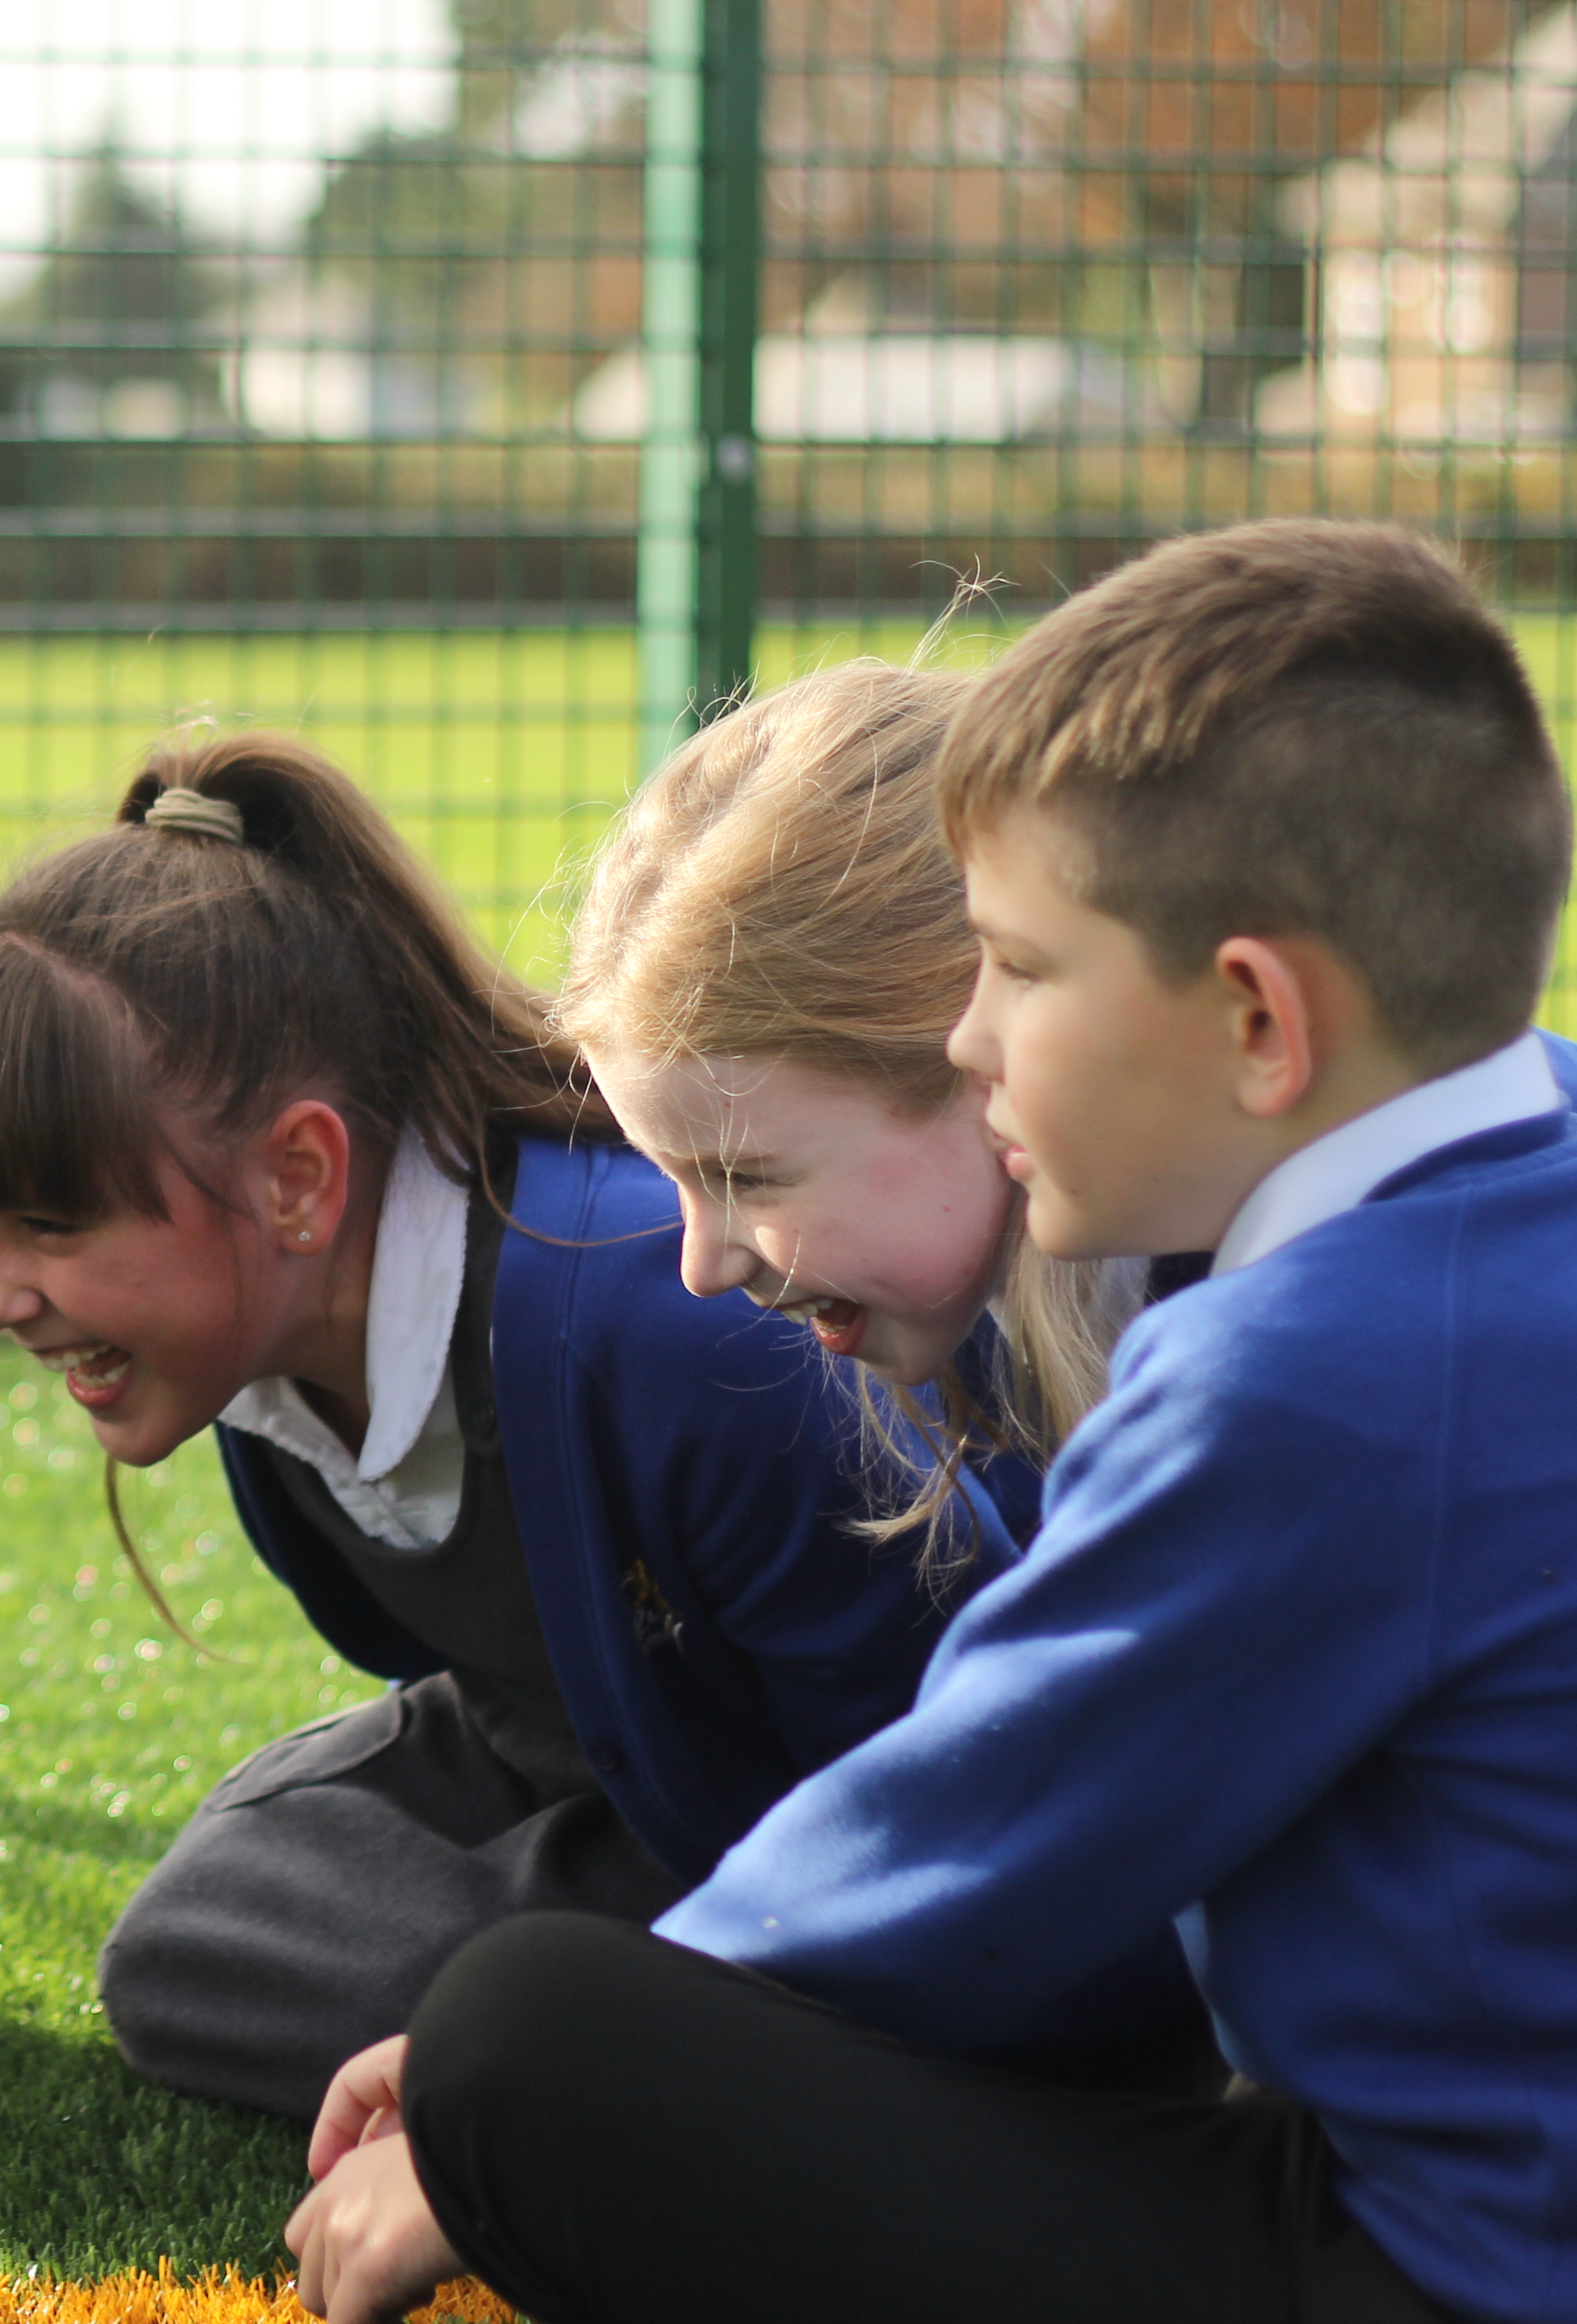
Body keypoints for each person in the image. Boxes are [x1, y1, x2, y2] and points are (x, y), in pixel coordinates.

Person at [292, 520, 1577, 2324]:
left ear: (1254, 1020)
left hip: (1457, 2260)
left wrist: (479, 2089)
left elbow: (985, 1842)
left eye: (1015, 972)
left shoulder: (1314, 1365)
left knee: (530, 2030)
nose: (968, 1045)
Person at [0, 728, 1066, 2124]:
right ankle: (600, 2006)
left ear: (297, 1176)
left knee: (487, 2001)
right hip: (626, 1781)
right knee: (192, 1951)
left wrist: (675, 1992)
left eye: (48, 1224)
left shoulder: (671, 1330)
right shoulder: (258, 1348)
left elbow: (946, 1756)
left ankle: (642, 2028)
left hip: (847, 1829)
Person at [555, 656, 1143, 1521]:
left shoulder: (1254, 1338)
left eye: (746, 1176)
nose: (701, 1269)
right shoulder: (1009, 1336)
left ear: (986, 1056)